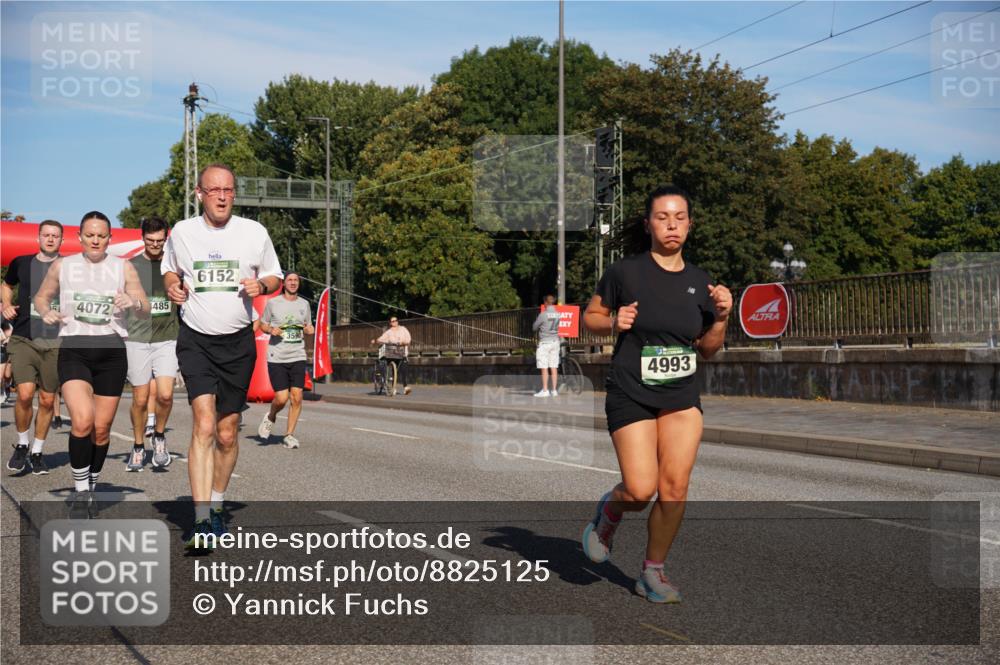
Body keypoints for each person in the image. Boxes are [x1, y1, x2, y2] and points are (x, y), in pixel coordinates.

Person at [580, 185, 732, 603]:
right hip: (631, 392)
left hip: (681, 396)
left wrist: (721, 318)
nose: (672, 225)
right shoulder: (624, 273)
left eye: (680, 217)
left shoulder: (701, 282)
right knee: (640, 489)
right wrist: (614, 322)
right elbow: (588, 318)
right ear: (648, 224)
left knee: (675, 488)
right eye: (663, 217)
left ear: (690, 225)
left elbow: (708, 348)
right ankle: (610, 513)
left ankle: (652, 572)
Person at [162, 163, 282, 547]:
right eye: (213, 190)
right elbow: (169, 270)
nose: (221, 196)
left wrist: (260, 283)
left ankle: (215, 505)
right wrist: (172, 287)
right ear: (199, 194)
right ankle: (199, 522)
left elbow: (276, 276)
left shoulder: (253, 232)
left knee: (227, 434)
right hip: (195, 339)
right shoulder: (182, 232)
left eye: (228, 190)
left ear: (234, 193)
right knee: (203, 425)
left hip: (237, 344)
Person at [34, 211, 149, 517]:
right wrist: (46, 311)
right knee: (82, 421)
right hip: (75, 348)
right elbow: (42, 297)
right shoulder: (64, 265)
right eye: (90, 235)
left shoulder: (123, 267)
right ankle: (81, 491)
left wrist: (133, 302)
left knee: (101, 429)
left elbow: (145, 309)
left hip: (111, 351)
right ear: (80, 237)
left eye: (101, 235)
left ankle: (92, 483)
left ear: (109, 238)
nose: (95, 240)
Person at [2, 220, 65, 475]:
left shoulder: (70, 268)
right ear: (38, 237)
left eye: (56, 236)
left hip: (55, 341)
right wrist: (5, 303)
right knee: (25, 394)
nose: (51, 239)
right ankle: (22, 444)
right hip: (24, 337)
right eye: (46, 235)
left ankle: (37, 451)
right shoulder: (21, 262)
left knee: (48, 400)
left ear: (62, 240)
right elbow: (7, 285)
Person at [124, 217, 179, 471]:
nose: (155, 245)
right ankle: (137, 446)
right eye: (150, 240)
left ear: (165, 238)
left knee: (166, 395)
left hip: (167, 338)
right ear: (142, 237)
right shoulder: (131, 266)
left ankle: (158, 437)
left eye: (160, 241)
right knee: (140, 399)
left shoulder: (174, 265)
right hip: (137, 339)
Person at [257, 273, 314, 449]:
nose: (293, 283)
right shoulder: (274, 303)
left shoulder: (304, 304)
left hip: (297, 355)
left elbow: (308, 326)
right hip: (277, 356)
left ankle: (289, 435)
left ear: (299, 284)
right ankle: (272, 415)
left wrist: (310, 329)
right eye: (290, 280)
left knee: (297, 397)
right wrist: (270, 330)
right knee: (281, 398)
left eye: (296, 280)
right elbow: (262, 324)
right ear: (284, 283)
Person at [370, 316, 412, 395]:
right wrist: (375, 341)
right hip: (391, 353)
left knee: (404, 369)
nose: (395, 322)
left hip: (402, 353)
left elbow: (408, 339)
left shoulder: (403, 329)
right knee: (392, 371)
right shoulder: (388, 332)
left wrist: (403, 342)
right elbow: (381, 339)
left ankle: (406, 387)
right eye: (393, 321)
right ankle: (393, 388)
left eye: (396, 320)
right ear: (390, 323)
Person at [532, 294, 561, 397]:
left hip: (545, 342)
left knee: (544, 367)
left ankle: (545, 390)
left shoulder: (543, 314)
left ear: (546, 303)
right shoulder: (558, 314)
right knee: (554, 366)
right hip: (555, 342)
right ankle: (554, 390)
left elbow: (534, 327)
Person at [1, 319, 12, 404]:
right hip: (1, 350)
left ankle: (7, 387)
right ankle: (2, 393)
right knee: (1, 376)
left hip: (8, 350)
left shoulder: (11, 323)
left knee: (7, 375)